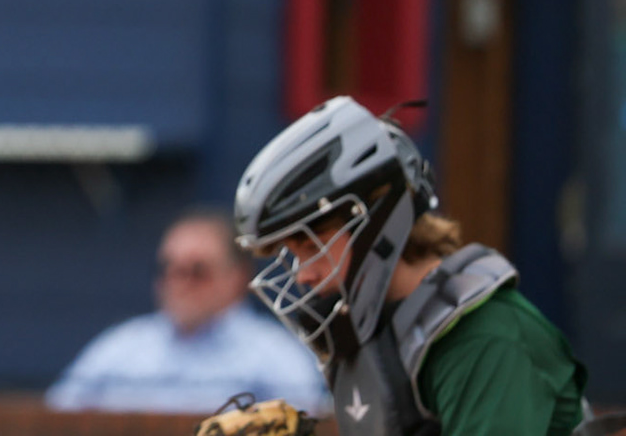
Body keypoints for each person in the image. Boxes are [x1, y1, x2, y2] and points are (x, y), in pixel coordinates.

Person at [232, 95, 595, 436]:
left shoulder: (484, 337)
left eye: (313, 245)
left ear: (376, 223)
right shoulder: (376, 335)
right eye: (293, 253)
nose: (303, 274)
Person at [46, 207, 327, 413]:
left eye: (197, 271)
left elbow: (313, 425)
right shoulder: (120, 348)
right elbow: (52, 419)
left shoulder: (275, 357)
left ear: (237, 277)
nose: (180, 283)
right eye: (170, 269)